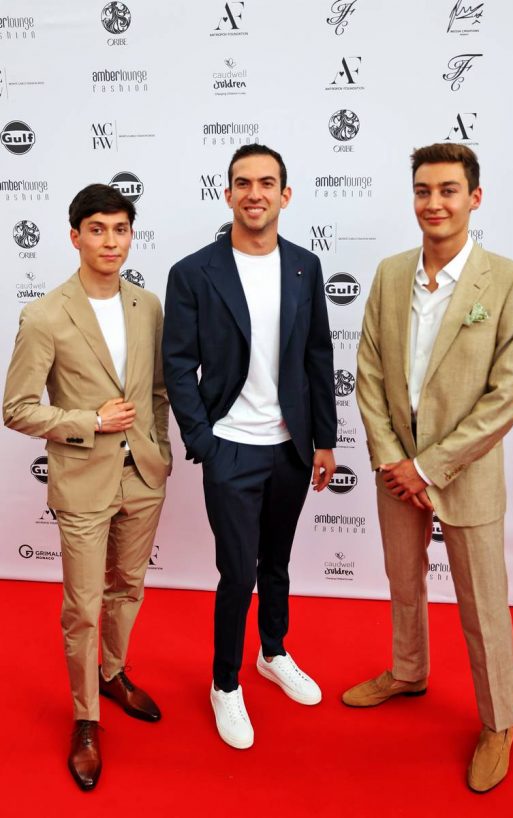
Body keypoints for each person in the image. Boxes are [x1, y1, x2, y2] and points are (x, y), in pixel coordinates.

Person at [343, 143, 513, 792]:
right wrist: (395, 460)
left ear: (473, 198)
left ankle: (498, 722)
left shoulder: (511, 283)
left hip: (463, 474)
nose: (434, 203)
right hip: (395, 469)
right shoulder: (390, 273)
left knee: (484, 607)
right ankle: (406, 671)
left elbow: (506, 397)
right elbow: (367, 371)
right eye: (423, 191)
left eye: (448, 191)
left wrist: (428, 467)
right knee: (403, 585)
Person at [163, 143, 336, 749]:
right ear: (228, 192)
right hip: (229, 447)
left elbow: (319, 356)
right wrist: (202, 440)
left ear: (285, 195)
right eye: (243, 182)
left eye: (267, 183)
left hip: (291, 446)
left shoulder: (304, 266)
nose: (255, 192)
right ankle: (224, 684)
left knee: (277, 565)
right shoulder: (193, 272)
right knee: (237, 572)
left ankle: (273, 651)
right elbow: (179, 365)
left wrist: (324, 440)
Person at [3, 184, 171, 791]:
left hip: (143, 477)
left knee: (129, 586)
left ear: (131, 235)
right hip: (81, 480)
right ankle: (85, 717)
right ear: (75, 236)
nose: (109, 240)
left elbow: (155, 391)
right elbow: (16, 408)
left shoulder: (148, 305)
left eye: (119, 228)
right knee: (82, 607)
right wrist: (88, 422)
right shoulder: (45, 314)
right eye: (96, 229)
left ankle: (114, 672)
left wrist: (161, 452)